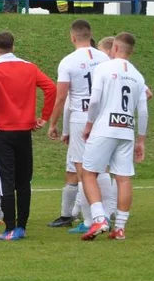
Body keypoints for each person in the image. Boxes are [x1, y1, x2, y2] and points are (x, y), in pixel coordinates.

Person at [0, 31, 57, 240]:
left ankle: (9, 227)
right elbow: (51, 88)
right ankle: (21, 226)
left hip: (2, 130)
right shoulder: (29, 67)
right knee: (24, 180)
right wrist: (43, 117)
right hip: (24, 130)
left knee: (6, 179)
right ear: (13, 47)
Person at [78, 32, 148, 241]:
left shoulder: (103, 68)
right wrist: (141, 140)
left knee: (88, 172)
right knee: (123, 178)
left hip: (105, 128)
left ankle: (99, 218)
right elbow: (143, 111)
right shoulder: (138, 75)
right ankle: (119, 228)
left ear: (114, 48)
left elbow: (94, 100)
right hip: (126, 129)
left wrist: (89, 124)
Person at [46, 19, 110, 228]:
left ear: (72, 37)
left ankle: (89, 220)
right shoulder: (105, 58)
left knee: (83, 169)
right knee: (103, 167)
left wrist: (53, 124)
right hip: (105, 117)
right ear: (91, 35)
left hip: (81, 119)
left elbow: (61, 97)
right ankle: (107, 213)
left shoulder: (68, 61)